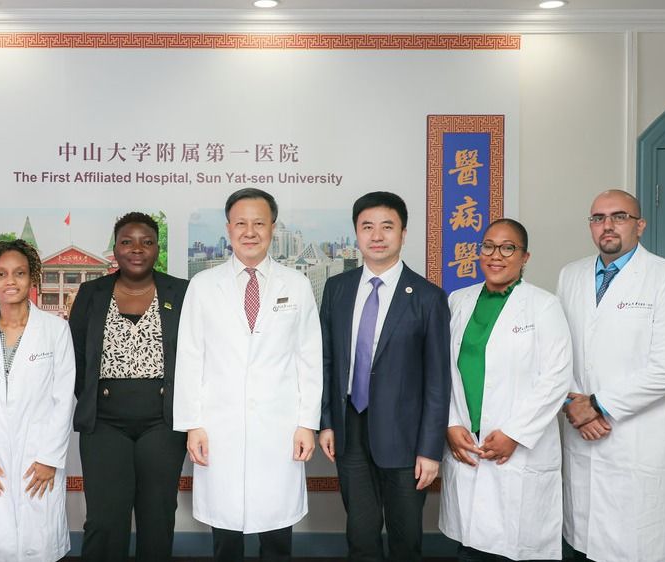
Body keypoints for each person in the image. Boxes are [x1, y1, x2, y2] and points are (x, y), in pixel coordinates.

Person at [174, 188, 322, 562]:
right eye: (241, 223)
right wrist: (193, 424)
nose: (250, 232)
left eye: (259, 223)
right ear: (228, 228)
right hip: (219, 427)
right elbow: (190, 358)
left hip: (280, 427)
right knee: (226, 536)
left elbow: (309, 358)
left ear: (273, 227)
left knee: (277, 533)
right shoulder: (203, 285)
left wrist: (307, 423)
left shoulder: (297, 284)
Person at [558, 189, 665, 562]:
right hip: (581, 432)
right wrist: (575, 405)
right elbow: (560, 352)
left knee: (637, 545)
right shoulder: (570, 275)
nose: (607, 225)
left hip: (636, 437)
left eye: (619, 216)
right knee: (582, 543)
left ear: (640, 225)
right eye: (598, 218)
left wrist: (598, 405)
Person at [318, 191, 451, 561]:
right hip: (350, 430)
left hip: (405, 438)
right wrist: (326, 423)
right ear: (356, 234)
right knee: (360, 536)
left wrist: (430, 450)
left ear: (403, 234)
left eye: (387, 227)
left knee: (405, 540)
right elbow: (327, 360)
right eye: (367, 227)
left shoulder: (428, 297)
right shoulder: (337, 288)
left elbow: (438, 381)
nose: (377, 236)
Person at [438, 218, 572, 561]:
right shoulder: (458, 300)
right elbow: (444, 371)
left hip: (518, 446)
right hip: (467, 439)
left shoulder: (544, 305)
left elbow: (557, 377)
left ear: (525, 257)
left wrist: (514, 433)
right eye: (488, 246)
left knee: (514, 544)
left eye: (508, 248)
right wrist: (451, 423)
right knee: (470, 544)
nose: (496, 255)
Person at [68, 212, 189, 562]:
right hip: (104, 424)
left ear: (157, 248)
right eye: (127, 242)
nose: (137, 249)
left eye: (146, 242)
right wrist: (93, 398)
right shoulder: (91, 293)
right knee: (105, 519)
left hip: (163, 423)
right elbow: (76, 356)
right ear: (116, 249)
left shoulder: (181, 292)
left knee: (157, 516)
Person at [0, 239, 75, 561]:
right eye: (1, 274)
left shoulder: (55, 330)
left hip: (39, 454)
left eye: (19, 273)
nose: (11, 281)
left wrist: (49, 458)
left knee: (38, 542)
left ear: (32, 277)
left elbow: (63, 400)